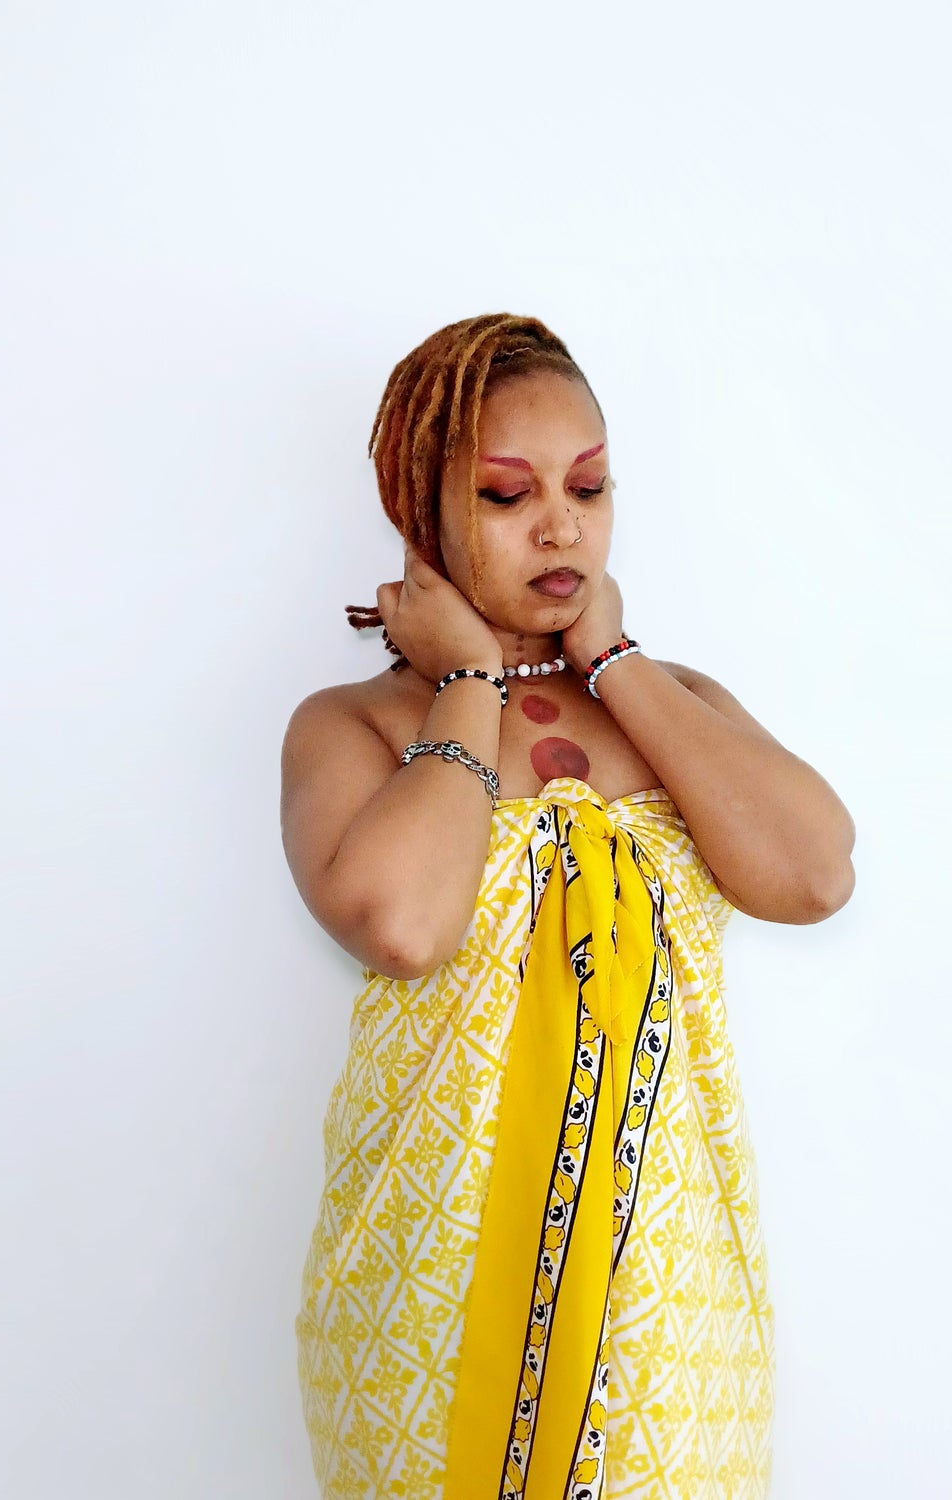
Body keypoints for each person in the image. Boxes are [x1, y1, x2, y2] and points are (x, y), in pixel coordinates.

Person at [280, 313, 855, 1499]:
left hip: (668, 1307)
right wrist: (470, 680)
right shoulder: (356, 727)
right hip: (434, 1297)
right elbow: (403, 926)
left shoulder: (673, 702)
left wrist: (618, 663)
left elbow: (814, 876)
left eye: (588, 487)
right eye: (506, 495)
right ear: (420, 511)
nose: (562, 526)